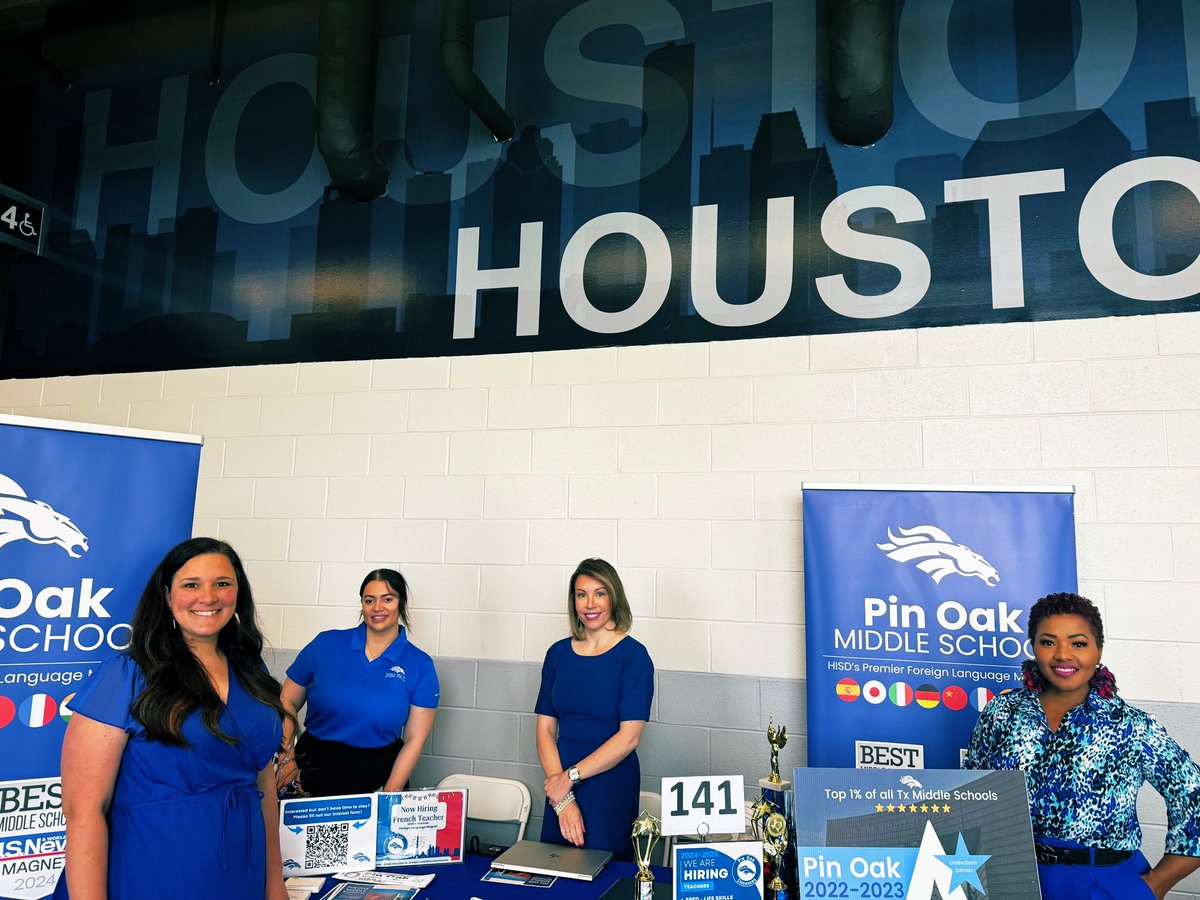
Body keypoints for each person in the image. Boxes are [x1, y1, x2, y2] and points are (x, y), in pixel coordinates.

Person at [56, 537, 292, 900]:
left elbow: (263, 787)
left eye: (222, 584)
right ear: (167, 596)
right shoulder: (126, 676)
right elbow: (83, 810)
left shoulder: (252, 672)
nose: (208, 597)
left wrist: (274, 887)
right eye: (191, 584)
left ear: (237, 593)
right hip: (152, 868)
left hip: (239, 871)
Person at [965, 592, 1200, 900]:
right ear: (1033, 646)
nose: (1063, 654)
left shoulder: (1130, 725)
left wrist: (1156, 885)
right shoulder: (1003, 712)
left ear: (1098, 649)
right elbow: (971, 792)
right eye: (1048, 642)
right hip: (1011, 875)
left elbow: (1192, 795)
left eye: (1078, 643)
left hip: (1101, 882)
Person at [277, 568, 439, 797]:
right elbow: (286, 700)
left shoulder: (419, 665)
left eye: (388, 599)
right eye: (369, 600)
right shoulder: (325, 645)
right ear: (362, 604)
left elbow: (415, 738)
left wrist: (389, 795)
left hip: (379, 777)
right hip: (310, 773)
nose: (377, 608)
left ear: (401, 603)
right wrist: (287, 759)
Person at [536, 558, 654, 861]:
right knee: (554, 869)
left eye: (599, 593)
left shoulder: (634, 656)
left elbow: (629, 738)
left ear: (614, 597)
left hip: (608, 782)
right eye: (581, 594)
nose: (590, 603)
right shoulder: (557, 654)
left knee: (603, 874)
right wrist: (562, 797)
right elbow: (545, 730)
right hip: (559, 781)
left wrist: (570, 778)